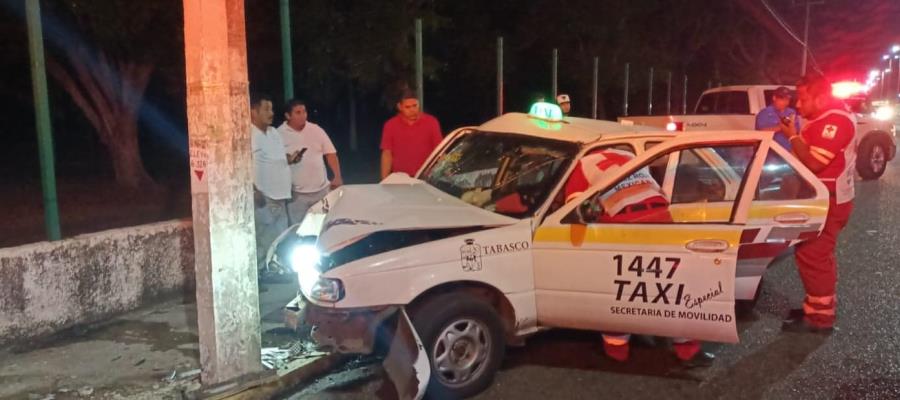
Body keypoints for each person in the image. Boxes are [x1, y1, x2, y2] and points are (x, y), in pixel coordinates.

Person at [564, 148, 714, 366]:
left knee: (622, 290)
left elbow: (577, 210)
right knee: (673, 289)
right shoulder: (632, 156)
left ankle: (617, 351)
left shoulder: (580, 165)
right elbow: (659, 192)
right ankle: (688, 350)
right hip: (661, 221)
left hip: (623, 228)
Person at [777, 74, 856, 333]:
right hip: (825, 197)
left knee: (813, 256)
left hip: (829, 200)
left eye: (803, 98)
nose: (798, 105)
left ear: (821, 97)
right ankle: (818, 307)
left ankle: (820, 320)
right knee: (815, 255)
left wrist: (792, 136)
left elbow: (814, 163)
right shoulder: (826, 119)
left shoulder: (835, 121)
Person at [278, 99, 343, 225]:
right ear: (288, 115)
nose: (303, 115)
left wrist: (337, 176)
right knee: (298, 229)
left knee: (324, 227)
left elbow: (330, 153)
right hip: (296, 195)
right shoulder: (279, 134)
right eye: (298, 112)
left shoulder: (316, 129)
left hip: (321, 191)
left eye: (304, 111)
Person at [250, 93, 292, 270]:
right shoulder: (248, 134)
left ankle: (274, 270)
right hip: (264, 198)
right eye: (266, 109)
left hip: (281, 197)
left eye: (272, 109)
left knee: (279, 238)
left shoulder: (274, 133)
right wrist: (253, 190)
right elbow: (244, 164)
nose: (271, 113)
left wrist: (290, 159)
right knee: (263, 239)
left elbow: (277, 159)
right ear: (253, 112)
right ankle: (260, 274)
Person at [380, 90, 443, 179]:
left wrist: (446, 172)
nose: (412, 110)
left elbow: (439, 150)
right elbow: (387, 154)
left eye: (415, 106)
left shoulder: (431, 122)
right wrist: (384, 179)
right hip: (400, 178)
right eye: (408, 107)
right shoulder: (390, 125)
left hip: (426, 177)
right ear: (400, 107)